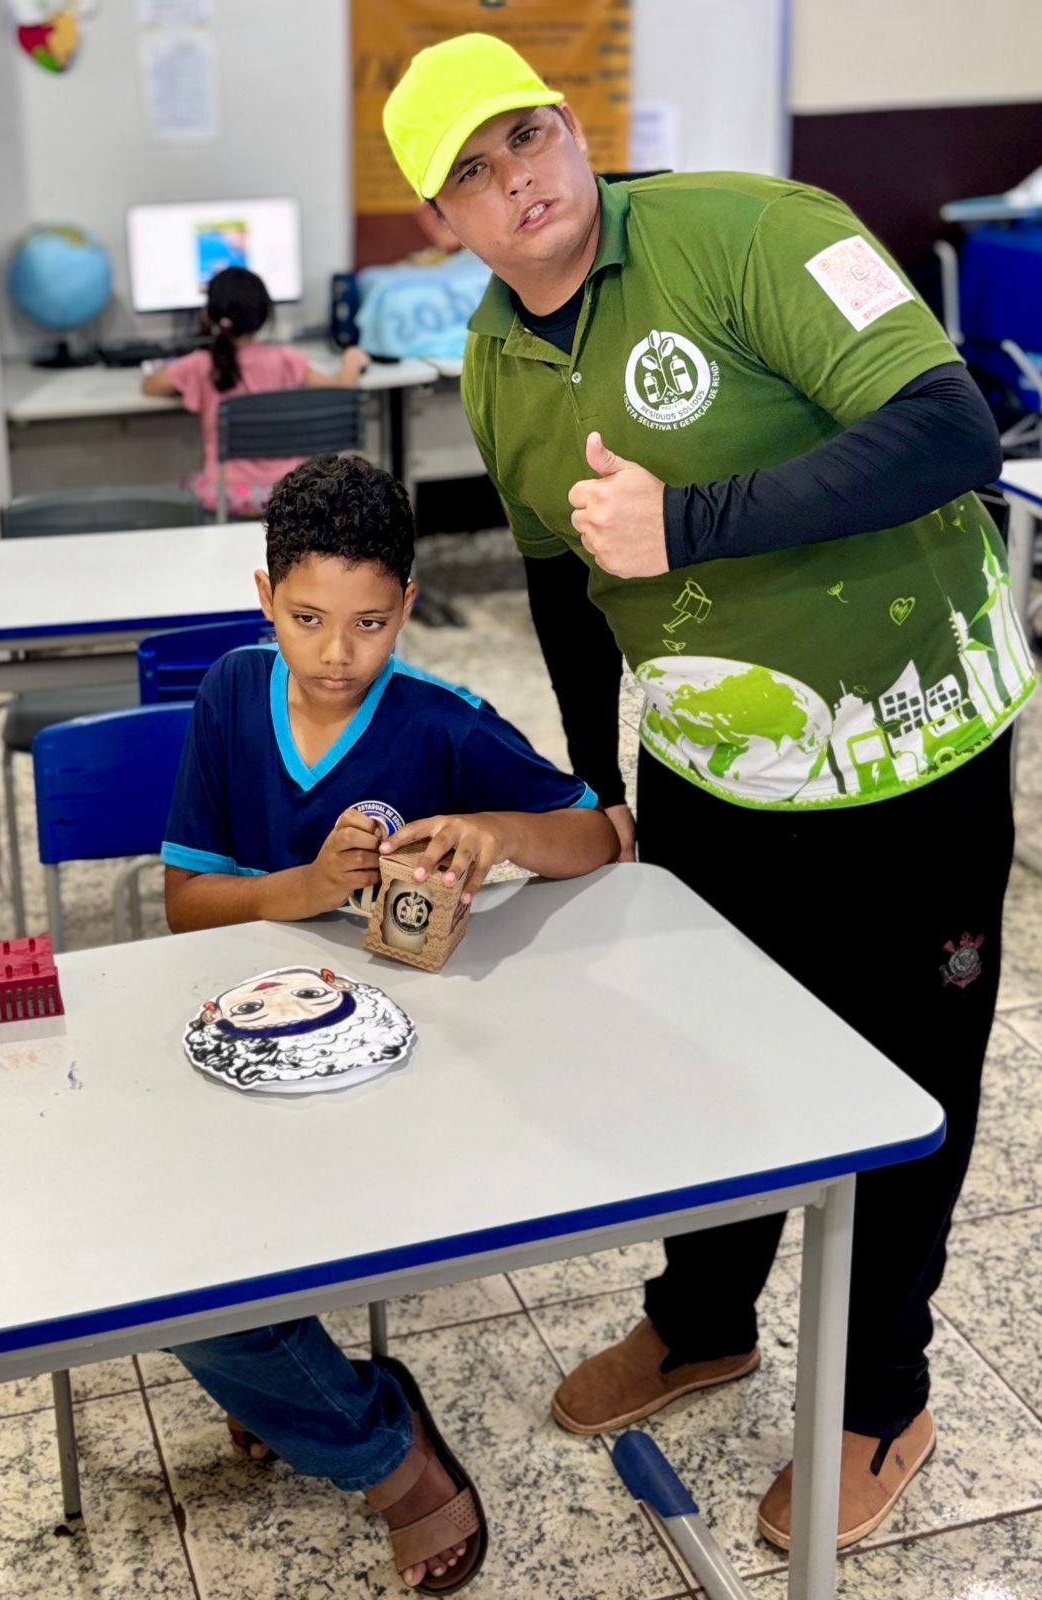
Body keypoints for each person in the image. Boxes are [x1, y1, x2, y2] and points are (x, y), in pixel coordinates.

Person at [382, 32, 1037, 1551]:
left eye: (527, 134)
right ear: (441, 221)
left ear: (571, 125)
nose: (516, 179)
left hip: (910, 748)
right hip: (711, 770)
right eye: (471, 171)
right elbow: (560, 581)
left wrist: (690, 522)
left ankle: (882, 1399)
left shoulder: (752, 230)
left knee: (907, 1085)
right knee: (707, 1059)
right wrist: (593, 781)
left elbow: (950, 429)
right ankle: (703, 1318)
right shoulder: (492, 360)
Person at [160, 452, 619, 1591]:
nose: (336, 654)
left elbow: (600, 834)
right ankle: (360, 1420)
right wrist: (304, 888)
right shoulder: (230, 694)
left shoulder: (441, 722)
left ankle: (366, 1447)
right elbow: (184, 906)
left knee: (232, 1290)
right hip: (251, 1054)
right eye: (306, 619)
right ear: (264, 598)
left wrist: (495, 835)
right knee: (175, 1274)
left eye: (369, 624)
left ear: (408, 607)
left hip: (408, 1067)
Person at [140, 266, 369, 516]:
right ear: (264, 315)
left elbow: (150, 386)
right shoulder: (286, 360)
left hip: (226, 495)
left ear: (209, 314)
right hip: (288, 492)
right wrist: (352, 359)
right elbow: (342, 389)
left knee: (186, 483)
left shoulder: (200, 365)